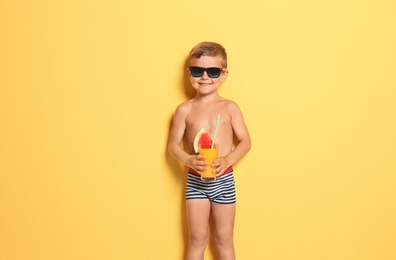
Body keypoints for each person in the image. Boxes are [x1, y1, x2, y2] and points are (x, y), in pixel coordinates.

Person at [168, 41, 251, 260]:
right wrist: (188, 159)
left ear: (223, 75)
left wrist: (228, 159)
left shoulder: (230, 108)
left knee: (224, 238)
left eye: (213, 71)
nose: (205, 77)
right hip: (196, 182)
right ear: (189, 73)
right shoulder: (184, 110)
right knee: (197, 239)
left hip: (224, 180)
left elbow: (245, 141)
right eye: (198, 70)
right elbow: (173, 145)